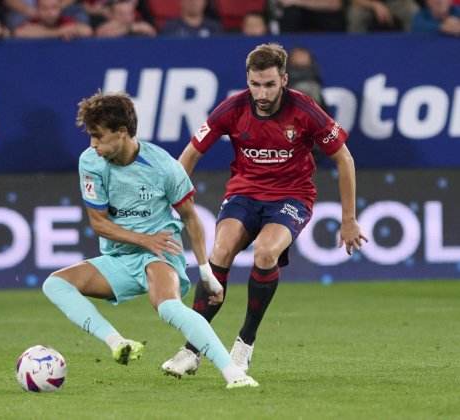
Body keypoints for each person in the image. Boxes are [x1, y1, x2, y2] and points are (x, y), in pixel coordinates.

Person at [162, 43, 367, 379]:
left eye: (269, 84)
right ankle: (191, 350)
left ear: (284, 79)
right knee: (221, 250)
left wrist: (348, 220)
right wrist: (172, 202)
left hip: (292, 196)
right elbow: (190, 155)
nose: (261, 92)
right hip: (244, 193)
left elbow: (344, 158)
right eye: (255, 84)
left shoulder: (305, 110)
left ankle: (244, 344)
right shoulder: (232, 108)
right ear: (248, 80)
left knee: (265, 253)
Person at [41, 91, 258, 389]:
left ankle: (234, 373)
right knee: (55, 283)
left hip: (160, 254)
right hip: (120, 257)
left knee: (168, 307)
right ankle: (118, 342)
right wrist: (143, 239)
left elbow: (191, 219)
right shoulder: (91, 162)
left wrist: (205, 271)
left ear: (122, 133)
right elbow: (99, 223)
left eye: (98, 136)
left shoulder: (165, 167)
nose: (93, 144)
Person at [347, 0, 419, 32]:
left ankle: (413, 50)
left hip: (395, 2)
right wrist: (375, 5)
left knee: (412, 10)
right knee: (356, 15)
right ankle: (356, 51)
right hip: (368, 3)